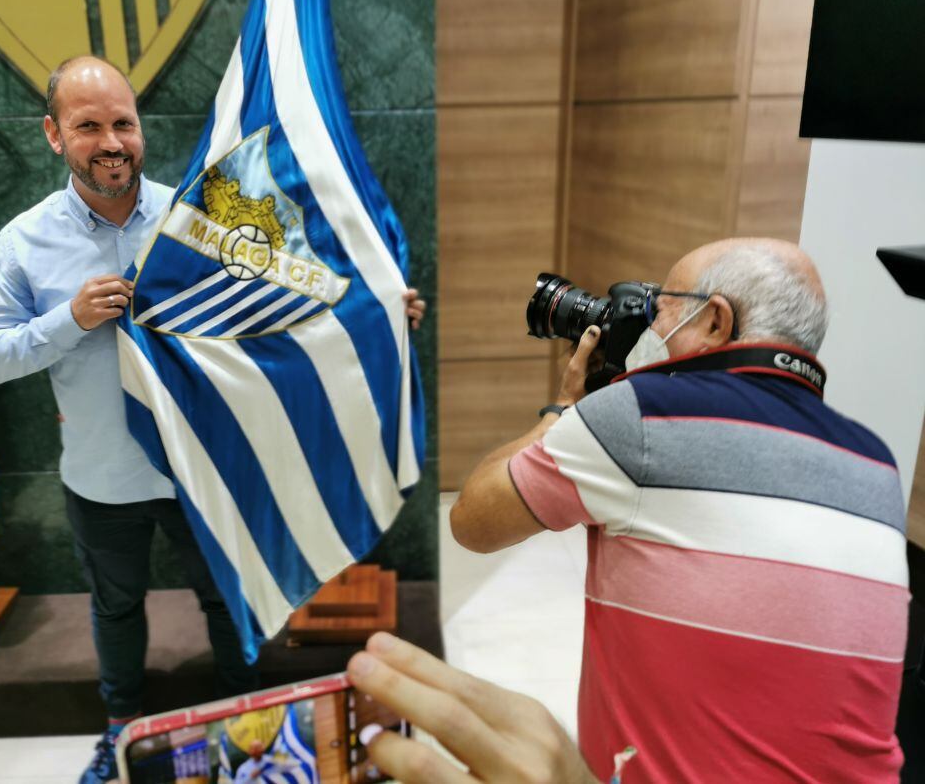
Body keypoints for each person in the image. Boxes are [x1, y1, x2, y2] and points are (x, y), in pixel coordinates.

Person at [0, 56, 425, 784]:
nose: (111, 141)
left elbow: (287, 305)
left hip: (204, 465)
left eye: (123, 122)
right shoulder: (24, 242)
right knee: (115, 608)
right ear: (54, 135)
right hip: (102, 475)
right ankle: (120, 731)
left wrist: (376, 315)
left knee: (226, 595)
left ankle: (245, 725)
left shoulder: (201, 220)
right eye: (89, 126)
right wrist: (68, 319)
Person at [349, 238, 908, 782]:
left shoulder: (644, 414)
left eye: (660, 308)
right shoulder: (878, 464)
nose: (648, 327)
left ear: (715, 321)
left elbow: (473, 521)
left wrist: (563, 409)